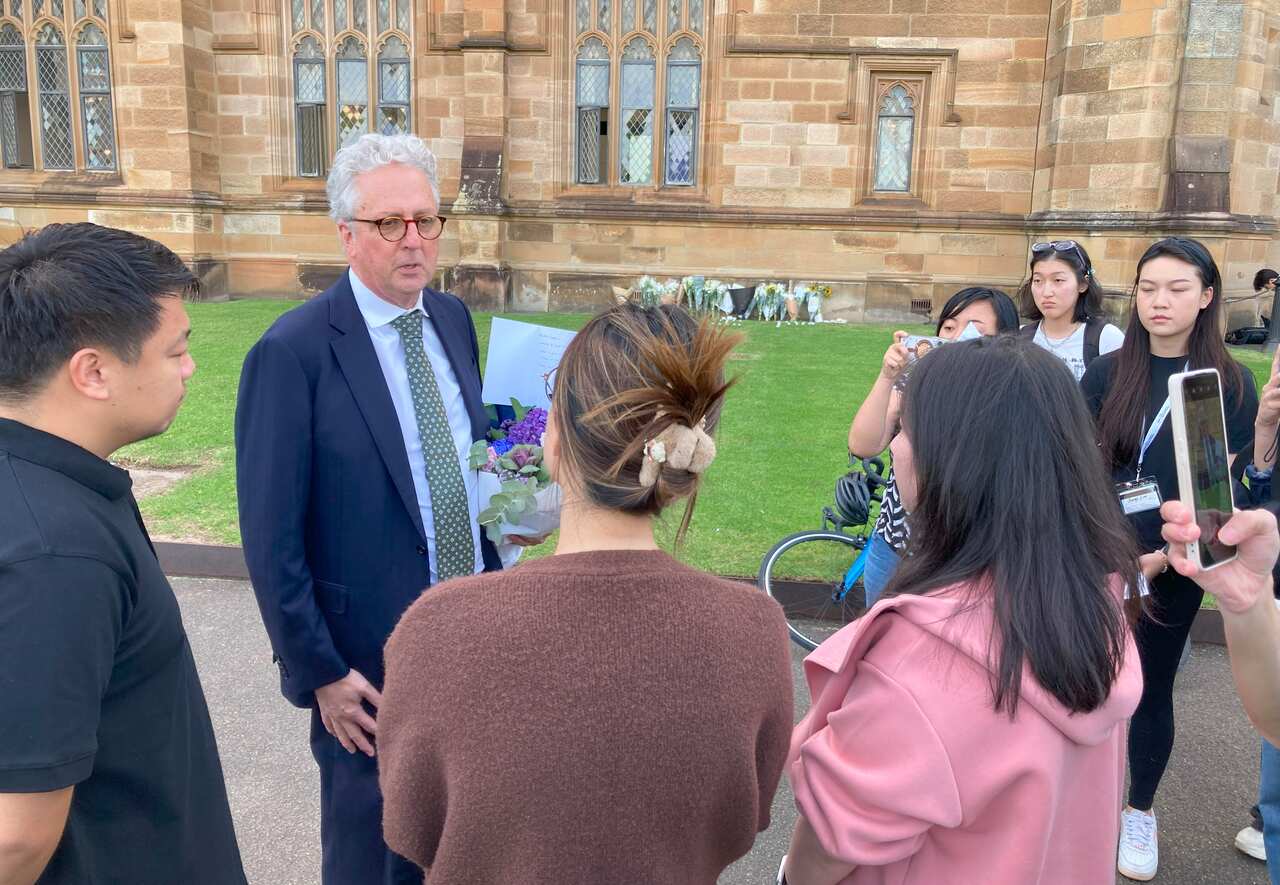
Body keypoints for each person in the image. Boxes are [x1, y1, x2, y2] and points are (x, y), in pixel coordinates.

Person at [377, 303, 795, 883]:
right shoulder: (754, 629)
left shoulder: (440, 627)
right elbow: (740, 824)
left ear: (553, 437)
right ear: (689, 460)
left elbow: (410, 827)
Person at [235, 133, 515, 884]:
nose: (414, 241)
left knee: (462, 843)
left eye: (427, 220)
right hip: (367, 669)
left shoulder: (452, 318)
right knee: (371, 856)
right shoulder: (292, 352)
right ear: (347, 234)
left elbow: (465, 451)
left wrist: (514, 502)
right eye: (391, 223)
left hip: (470, 634)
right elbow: (270, 537)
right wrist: (320, 671)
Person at [783, 335, 1143, 884]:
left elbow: (835, 839)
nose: (896, 447)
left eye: (906, 430)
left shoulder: (922, 656)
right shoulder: (1093, 595)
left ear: (954, 459)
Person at [0, 224, 246, 884]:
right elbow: (14, 837)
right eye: (176, 350)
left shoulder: (53, 485)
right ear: (95, 371)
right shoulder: (55, 552)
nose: (191, 366)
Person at [1081, 236, 1259, 881]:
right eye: (1148, 287)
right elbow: (1081, 471)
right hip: (1095, 556)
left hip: (1173, 568)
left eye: (1178, 288)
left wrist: (1157, 559)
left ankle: (1140, 807)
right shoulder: (1107, 374)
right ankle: (1077, 797)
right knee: (1080, 681)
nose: (1160, 301)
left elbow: (1216, 498)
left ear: (1207, 296)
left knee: (1150, 688)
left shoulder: (1226, 386)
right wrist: (1105, 554)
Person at [847, 286, 1018, 606]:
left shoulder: (1011, 396)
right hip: (894, 551)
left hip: (967, 561)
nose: (955, 339)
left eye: (974, 330)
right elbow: (862, 444)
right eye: (949, 328)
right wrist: (888, 378)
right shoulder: (915, 383)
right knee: (880, 648)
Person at [1017, 239, 1124, 380]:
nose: (1046, 292)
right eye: (1038, 281)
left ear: (1083, 284)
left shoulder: (1107, 339)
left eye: (1058, 280)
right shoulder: (1020, 337)